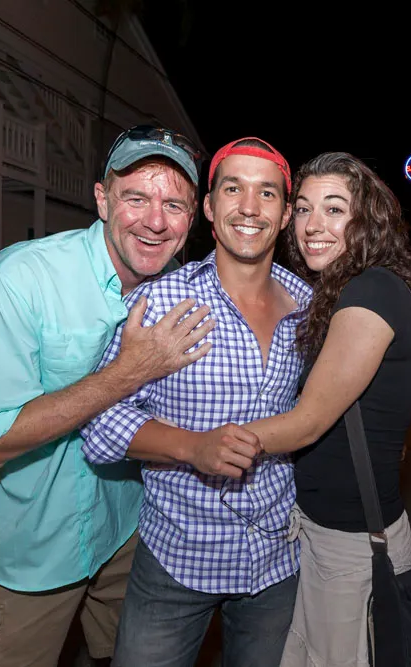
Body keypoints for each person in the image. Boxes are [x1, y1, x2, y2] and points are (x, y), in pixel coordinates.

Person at [0, 126, 215, 667]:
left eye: (173, 205)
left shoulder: (182, 289)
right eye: (136, 198)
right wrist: (128, 372)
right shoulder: (23, 278)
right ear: (102, 199)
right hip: (26, 549)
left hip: (127, 532)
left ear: (192, 217)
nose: (155, 221)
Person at [81, 137, 311, 667]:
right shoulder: (161, 300)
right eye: (233, 189)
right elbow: (100, 422)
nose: (249, 207)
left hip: (276, 561)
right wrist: (190, 447)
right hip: (177, 558)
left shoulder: (309, 307)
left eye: (267, 193)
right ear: (208, 207)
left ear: (284, 215)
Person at [242, 151, 411, 667]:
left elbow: (308, 422)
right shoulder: (347, 289)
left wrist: (201, 443)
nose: (313, 225)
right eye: (304, 209)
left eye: (334, 209)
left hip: (351, 545)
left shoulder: (370, 291)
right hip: (331, 533)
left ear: (367, 221)